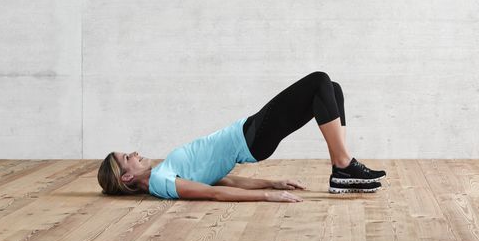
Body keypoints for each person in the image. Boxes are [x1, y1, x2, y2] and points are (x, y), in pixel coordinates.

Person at [97, 71, 386, 202]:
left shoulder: (163, 173)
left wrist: (271, 181)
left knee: (330, 89)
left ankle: (343, 167)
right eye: (127, 158)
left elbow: (220, 179)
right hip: (249, 137)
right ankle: (342, 165)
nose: (133, 153)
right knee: (319, 81)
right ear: (126, 177)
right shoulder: (160, 182)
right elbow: (212, 193)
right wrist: (266, 195)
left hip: (249, 134)